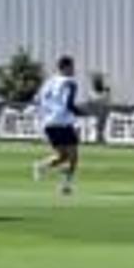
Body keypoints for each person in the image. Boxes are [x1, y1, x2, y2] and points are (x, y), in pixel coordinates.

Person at [31, 55, 84, 194]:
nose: (74, 69)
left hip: (48, 123)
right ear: (65, 67)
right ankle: (65, 186)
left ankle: (41, 166)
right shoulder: (70, 82)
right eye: (72, 66)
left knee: (63, 156)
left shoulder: (49, 82)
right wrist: (83, 113)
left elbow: (37, 99)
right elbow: (69, 104)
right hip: (62, 121)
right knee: (73, 156)